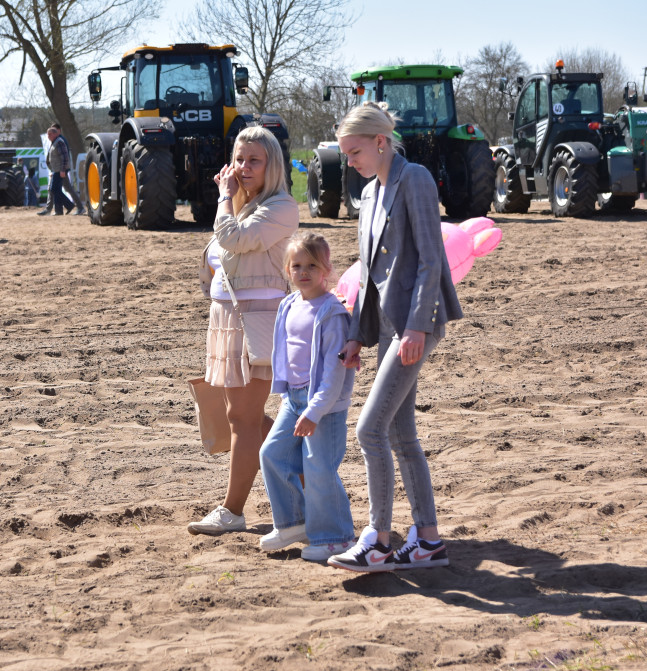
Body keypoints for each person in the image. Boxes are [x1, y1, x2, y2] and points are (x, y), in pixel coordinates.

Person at [326, 102, 463, 573]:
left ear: (381, 142)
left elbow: (430, 259)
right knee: (402, 433)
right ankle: (428, 541)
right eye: (346, 153)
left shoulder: (415, 179)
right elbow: (368, 274)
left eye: (354, 152)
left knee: (370, 429)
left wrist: (418, 326)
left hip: (413, 325)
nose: (349, 161)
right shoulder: (368, 194)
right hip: (386, 327)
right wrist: (356, 336)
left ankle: (378, 541)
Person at [188, 126, 299, 535]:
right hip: (228, 318)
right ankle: (308, 480)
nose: (243, 167)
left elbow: (233, 240)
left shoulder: (280, 207)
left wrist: (223, 197)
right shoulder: (241, 206)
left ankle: (232, 510)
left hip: (259, 319)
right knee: (242, 415)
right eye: (239, 159)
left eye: (254, 160)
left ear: (272, 165)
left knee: (243, 418)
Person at [258, 232, 356, 562]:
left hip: (324, 406)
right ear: (287, 269)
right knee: (272, 453)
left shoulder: (332, 313)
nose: (303, 272)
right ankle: (293, 522)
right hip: (293, 399)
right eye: (297, 265)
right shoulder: (289, 304)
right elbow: (285, 351)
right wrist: (286, 392)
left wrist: (314, 411)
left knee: (319, 468)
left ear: (326, 269)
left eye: (312, 265)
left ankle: (337, 537)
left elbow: (334, 373)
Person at [39, 125, 84, 216]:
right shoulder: (54, 142)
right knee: (60, 189)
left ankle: (70, 206)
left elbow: (64, 157)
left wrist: (62, 170)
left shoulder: (59, 142)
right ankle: (59, 210)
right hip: (56, 170)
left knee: (54, 189)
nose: (48, 136)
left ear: (56, 133)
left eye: (50, 134)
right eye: (47, 134)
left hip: (60, 170)